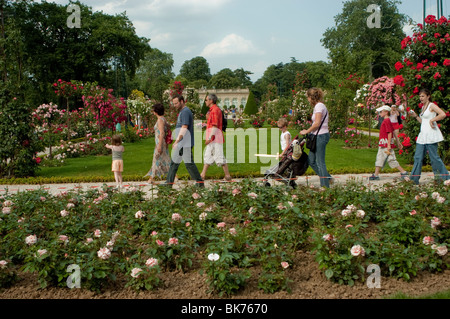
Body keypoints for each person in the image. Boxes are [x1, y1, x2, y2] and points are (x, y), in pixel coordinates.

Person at [409, 89, 449, 185]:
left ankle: (444, 178)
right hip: (423, 136)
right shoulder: (423, 107)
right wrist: (415, 116)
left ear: (428, 96)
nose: (421, 98)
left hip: (431, 135)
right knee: (417, 157)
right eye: (420, 96)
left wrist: (432, 120)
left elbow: (443, 114)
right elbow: (424, 122)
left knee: (434, 158)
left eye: (422, 96)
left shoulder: (432, 105)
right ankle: (413, 180)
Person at [164, 94, 204, 188]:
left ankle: (199, 183)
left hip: (184, 143)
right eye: (173, 103)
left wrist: (177, 141)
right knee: (175, 163)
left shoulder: (185, 111)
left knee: (188, 164)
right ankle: (168, 184)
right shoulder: (183, 112)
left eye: (176, 103)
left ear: (182, 101)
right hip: (183, 143)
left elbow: (184, 127)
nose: (175, 105)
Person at [300, 88, 333, 188]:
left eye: (308, 97)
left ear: (311, 97)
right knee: (311, 160)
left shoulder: (319, 106)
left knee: (320, 162)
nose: (308, 100)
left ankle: (325, 186)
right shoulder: (318, 106)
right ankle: (327, 177)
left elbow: (317, 123)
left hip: (321, 136)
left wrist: (307, 131)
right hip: (317, 136)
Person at [369, 105, 409, 181]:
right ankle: (376, 174)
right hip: (384, 143)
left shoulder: (386, 120)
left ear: (386, 112)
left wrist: (388, 145)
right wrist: (398, 142)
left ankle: (403, 172)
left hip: (385, 144)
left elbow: (389, 133)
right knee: (385, 158)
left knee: (386, 158)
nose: (379, 113)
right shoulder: (388, 120)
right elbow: (393, 131)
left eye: (381, 112)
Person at [200, 94, 232, 181]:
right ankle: (202, 175)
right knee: (208, 156)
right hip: (214, 138)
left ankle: (227, 176)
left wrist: (209, 138)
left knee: (219, 157)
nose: (205, 101)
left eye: (206, 100)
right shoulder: (213, 110)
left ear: (211, 100)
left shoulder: (214, 110)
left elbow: (214, 126)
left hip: (215, 139)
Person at [145, 103, 171, 184]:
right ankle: (173, 175)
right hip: (162, 142)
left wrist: (159, 145)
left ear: (156, 111)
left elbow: (162, 132)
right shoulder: (163, 119)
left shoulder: (160, 120)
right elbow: (168, 128)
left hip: (160, 142)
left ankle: (152, 178)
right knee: (165, 159)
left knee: (156, 159)